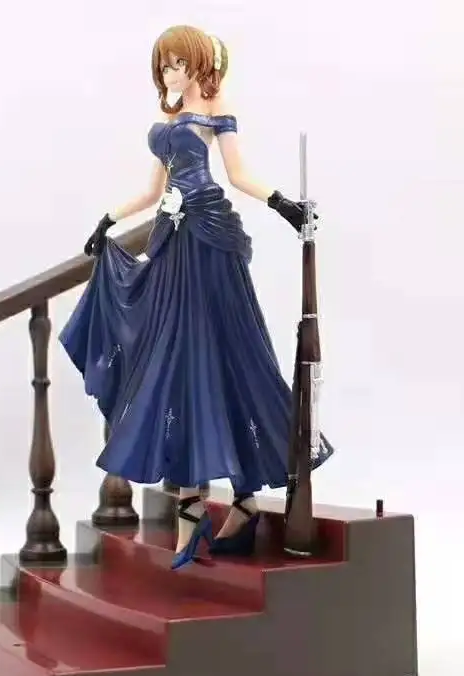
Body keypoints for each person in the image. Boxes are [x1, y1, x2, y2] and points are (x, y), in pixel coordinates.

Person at [59, 25, 334, 571]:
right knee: (175, 360)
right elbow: (153, 190)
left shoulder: (214, 106)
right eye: (164, 65)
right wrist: (107, 220)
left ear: (200, 64)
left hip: (207, 239)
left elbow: (237, 175)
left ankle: (228, 504)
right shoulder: (168, 121)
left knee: (219, 354)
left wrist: (283, 205)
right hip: (172, 242)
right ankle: (216, 507)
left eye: (179, 63)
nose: (171, 73)